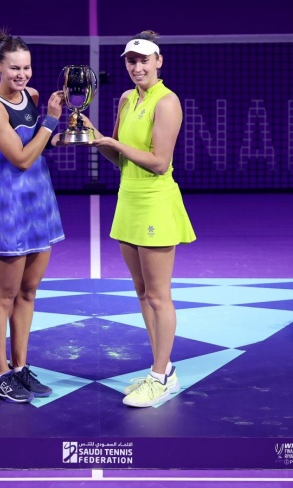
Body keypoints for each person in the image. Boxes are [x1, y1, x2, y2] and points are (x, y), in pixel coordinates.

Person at [79, 31, 196, 407]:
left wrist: (115, 144)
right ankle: (163, 368)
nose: (137, 67)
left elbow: (159, 162)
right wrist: (95, 137)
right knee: (143, 292)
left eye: (144, 60)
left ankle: (160, 378)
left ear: (158, 61)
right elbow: (120, 158)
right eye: (131, 61)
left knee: (159, 296)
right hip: (127, 201)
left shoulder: (168, 102)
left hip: (155, 204)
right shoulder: (127, 99)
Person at [0, 30, 65, 403]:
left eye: (26, 67)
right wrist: (51, 121)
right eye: (14, 67)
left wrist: (66, 135)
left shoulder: (32, 96)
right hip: (9, 211)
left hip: (39, 206)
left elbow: (38, 146)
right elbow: (22, 159)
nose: (22, 74)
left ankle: (19, 368)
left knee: (28, 292)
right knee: (3, 296)